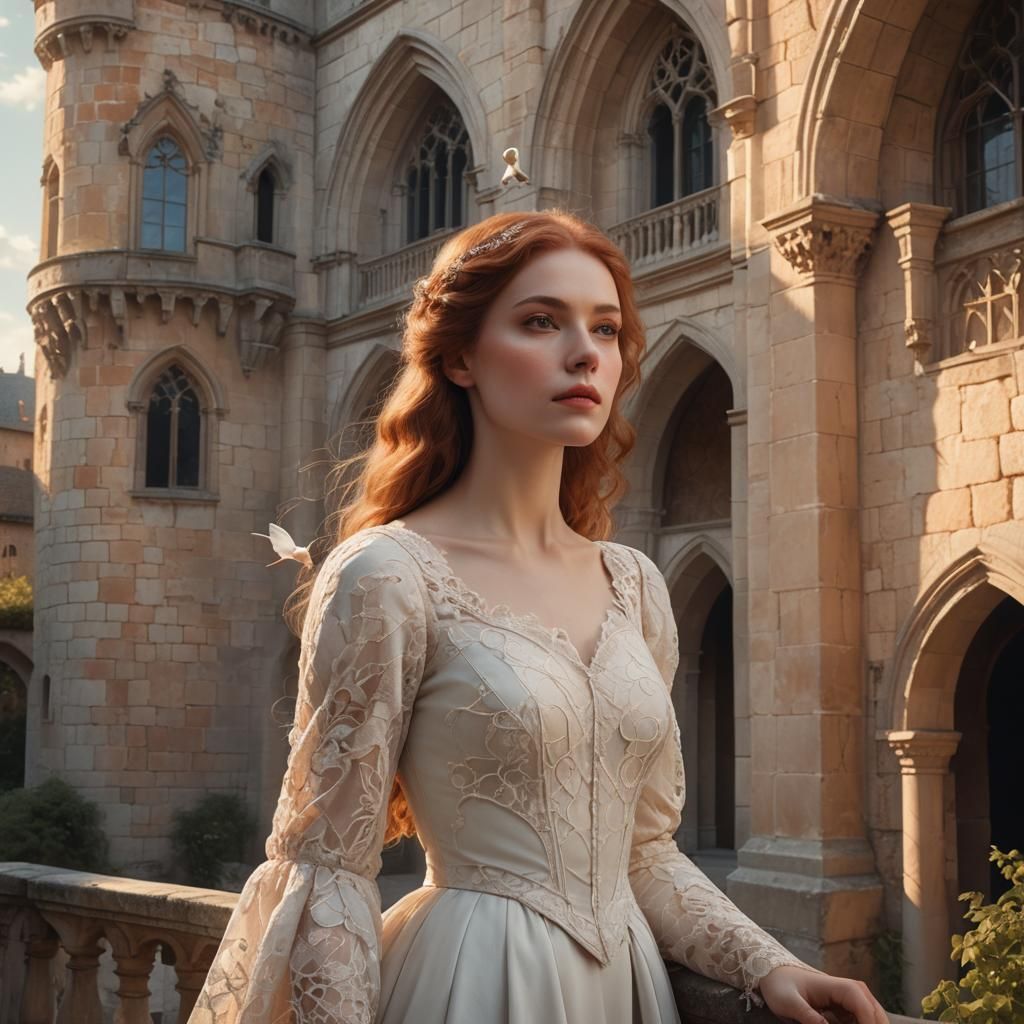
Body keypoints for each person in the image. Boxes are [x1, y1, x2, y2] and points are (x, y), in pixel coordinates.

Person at [188, 211, 889, 1024]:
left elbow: (644, 854)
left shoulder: (634, 584)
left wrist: (766, 964)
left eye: (606, 328)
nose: (586, 352)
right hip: (473, 983)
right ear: (458, 357)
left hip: (628, 989)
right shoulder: (387, 572)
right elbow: (330, 873)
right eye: (539, 322)